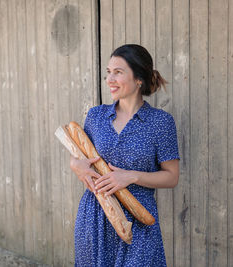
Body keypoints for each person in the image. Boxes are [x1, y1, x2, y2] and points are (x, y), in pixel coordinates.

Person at [69, 44, 180, 266]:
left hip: (138, 219)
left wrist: (131, 176)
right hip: (95, 216)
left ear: (139, 78)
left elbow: (171, 177)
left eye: (118, 72)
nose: (110, 79)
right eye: (108, 72)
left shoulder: (160, 123)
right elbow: (80, 156)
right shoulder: (96, 116)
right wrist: (76, 165)